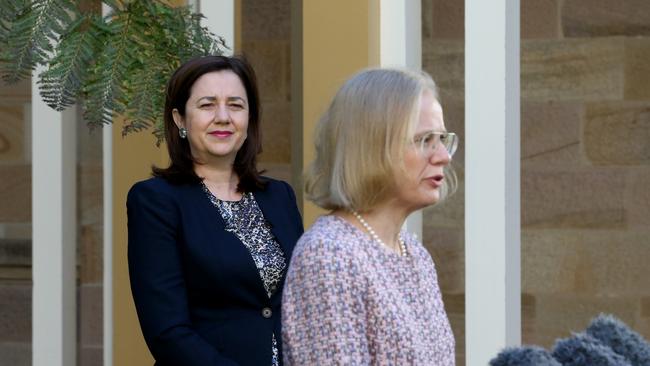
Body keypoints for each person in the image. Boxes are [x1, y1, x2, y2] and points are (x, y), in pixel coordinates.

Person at [127, 55, 303, 366]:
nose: (223, 117)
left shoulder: (279, 196)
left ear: (250, 119)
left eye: (235, 105)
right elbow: (167, 332)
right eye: (207, 105)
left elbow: (301, 303)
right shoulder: (155, 201)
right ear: (180, 119)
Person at [282, 68, 458, 365]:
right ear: (372, 146)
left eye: (442, 138)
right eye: (425, 139)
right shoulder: (328, 256)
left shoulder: (415, 254)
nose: (443, 156)